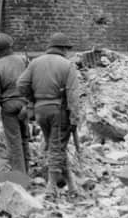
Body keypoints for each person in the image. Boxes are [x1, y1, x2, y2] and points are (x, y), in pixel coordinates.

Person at [17, 31, 81, 196]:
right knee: (56, 148)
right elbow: (73, 95)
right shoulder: (67, 65)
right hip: (58, 111)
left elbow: (21, 85)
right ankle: (51, 187)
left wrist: (33, 99)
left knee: (57, 147)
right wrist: (74, 117)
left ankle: (72, 185)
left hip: (40, 111)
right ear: (63, 48)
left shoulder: (35, 63)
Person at [0, 33, 30, 173]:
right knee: (24, 139)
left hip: (9, 107)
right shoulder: (23, 60)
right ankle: (27, 172)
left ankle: (20, 178)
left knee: (14, 143)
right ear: (10, 45)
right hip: (24, 105)